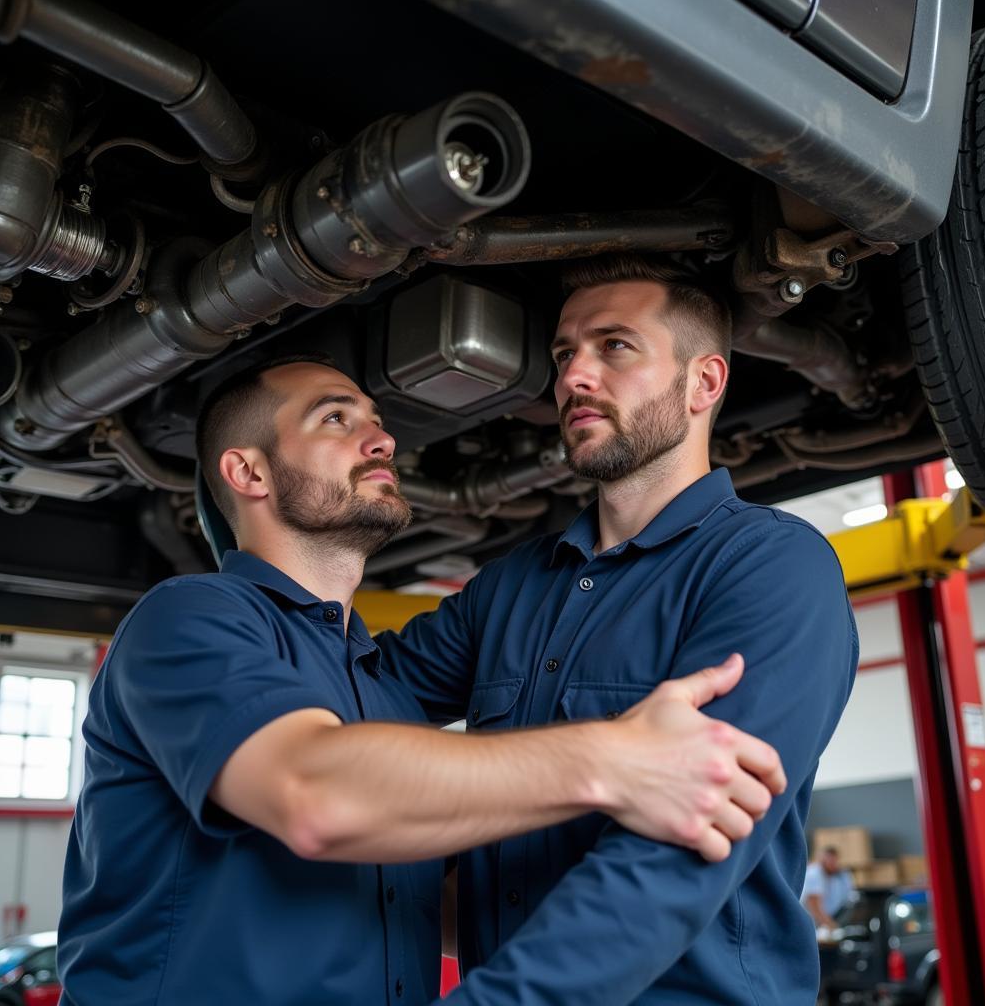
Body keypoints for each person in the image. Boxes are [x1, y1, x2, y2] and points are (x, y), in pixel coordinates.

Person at [56, 351, 787, 1006]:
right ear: (248, 472)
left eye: (375, 421)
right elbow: (315, 796)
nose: (382, 439)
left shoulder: (385, 689)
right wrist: (619, 762)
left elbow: (413, 894)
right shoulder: (187, 620)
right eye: (335, 419)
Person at [376, 253, 860, 1004]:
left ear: (704, 383)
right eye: (566, 353)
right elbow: (362, 697)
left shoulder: (771, 567)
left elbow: (676, 856)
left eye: (615, 347)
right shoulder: (512, 586)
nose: (572, 377)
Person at [801, 846, 854, 929]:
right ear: (823, 859)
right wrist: (832, 926)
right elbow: (815, 908)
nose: (833, 864)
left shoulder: (831, 876)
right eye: (830, 860)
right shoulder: (814, 874)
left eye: (835, 861)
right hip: (810, 925)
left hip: (820, 923)